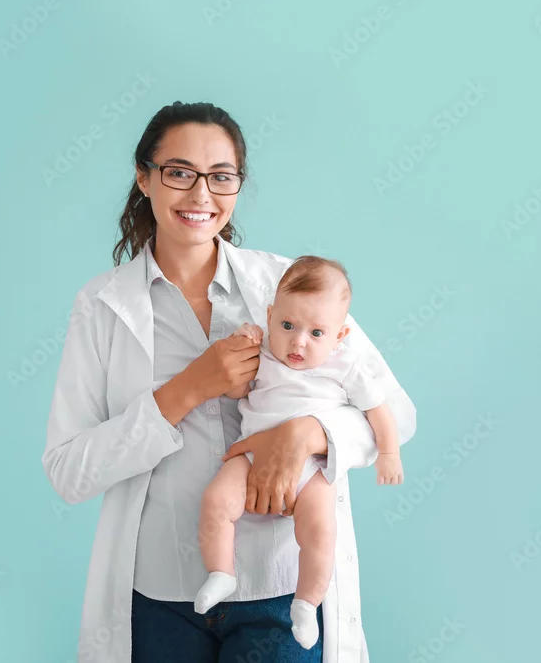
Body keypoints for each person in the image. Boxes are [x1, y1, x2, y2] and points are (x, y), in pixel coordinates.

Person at [42, 100, 417, 663]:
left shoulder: (289, 286)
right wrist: (187, 390)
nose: (201, 195)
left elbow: (395, 414)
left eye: (221, 176)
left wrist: (308, 433)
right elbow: (69, 472)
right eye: (179, 172)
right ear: (144, 177)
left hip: (278, 586)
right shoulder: (100, 305)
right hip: (160, 595)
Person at [194, 256, 405, 650]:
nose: (298, 342)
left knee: (321, 532)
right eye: (288, 325)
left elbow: (380, 411)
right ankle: (221, 573)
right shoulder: (264, 351)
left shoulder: (346, 366)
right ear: (270, 315)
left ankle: (306, 604)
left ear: (340, 335)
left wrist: (389, 453)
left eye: (316, 333)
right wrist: (241, 349)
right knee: (216, 501)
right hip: (250, 456)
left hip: (314, 469)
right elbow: (236, 391)